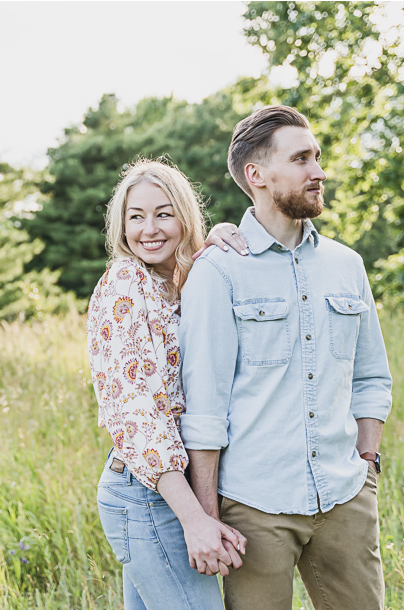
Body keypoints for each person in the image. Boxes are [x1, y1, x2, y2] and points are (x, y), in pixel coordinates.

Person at [179, 105, 393, 609]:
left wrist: (366, 465)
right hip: (255, 508)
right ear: (256, 175)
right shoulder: (220, 271)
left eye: (317, 157)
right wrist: (209, 517)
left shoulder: (347, 265)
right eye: (301, 159)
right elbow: (205, 409)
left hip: (345, 496)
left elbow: (371, 377)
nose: (318, 171)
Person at [87, 159, 249, 610]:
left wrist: (210, 247)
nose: (149, 229)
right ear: (121, 226)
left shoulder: (169, 283)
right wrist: (195, 518)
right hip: (149, 492)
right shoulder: (126, 281)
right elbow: (140, 412)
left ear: (184, 216)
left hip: (160, 488)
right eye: (135, 217)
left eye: (163, 213)